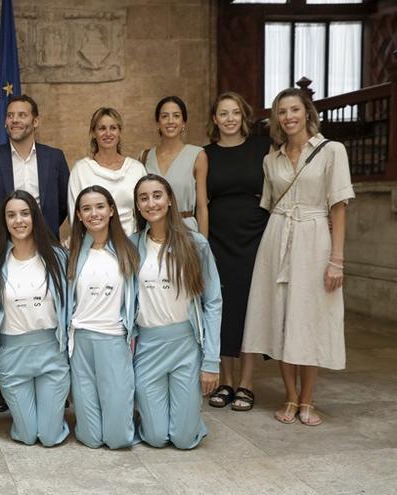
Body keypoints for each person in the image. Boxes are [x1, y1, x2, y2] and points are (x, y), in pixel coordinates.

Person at [242, 88, 354, 427]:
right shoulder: (270, 159)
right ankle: (290, 396)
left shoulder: (332, 151)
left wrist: (337, 259)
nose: (288, 117)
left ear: (307, 112)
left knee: (310, 317)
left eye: (294, 110)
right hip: (276, 239)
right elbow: (269, 206)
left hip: (314, 237)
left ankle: (308, 400)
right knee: (281, 316)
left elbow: (338, 207)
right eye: (281, 111)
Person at [131, 174, 221, 449]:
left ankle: (189, 420)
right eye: (143, 198)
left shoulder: (196, 244)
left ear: (170, 200)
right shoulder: (130, 246)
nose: (151, 203)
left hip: (185, 346)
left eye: (157, 195)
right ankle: (152, 416)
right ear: (137, 206)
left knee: (183, 440)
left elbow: (213, 302)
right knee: (156, 438)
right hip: (147, 347)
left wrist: (211, 361)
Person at [203, 92, 271, 412]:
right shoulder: (206, 154)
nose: (229, 119)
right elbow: (202, 202)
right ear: (215, 119)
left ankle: (246, 382)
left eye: (234, 113)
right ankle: (226, 380)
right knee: (224, 307)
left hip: (255, 237)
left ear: (244, 116)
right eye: (222, 114)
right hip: (219, 238)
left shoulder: (263, 148)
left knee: (250, 307)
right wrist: (204, 244)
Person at [0, 190, 69, 446]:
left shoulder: (58, 257)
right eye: (11, 215)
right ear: (4, 221)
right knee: (28, 435)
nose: (18, 220)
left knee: (50, 436)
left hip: (51, 353)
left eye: (25, 213)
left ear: (35, 217)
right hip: (13, 356)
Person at [66, 185, 139, 449]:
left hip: (114, 339)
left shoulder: (129, 250)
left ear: (111, 210)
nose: (93, 213)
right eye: (86, 208)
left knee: (118, 439)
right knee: (90, 438)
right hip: (81, 342)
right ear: (79, 215)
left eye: (99, 207)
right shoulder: (71, 252)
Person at [0, 94, 70, 247]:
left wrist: (44, 228)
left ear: (35, 121)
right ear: (5, 122)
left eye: (22, 115)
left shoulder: (54, 158)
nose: (15, 120)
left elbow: (64, 203)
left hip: (46, 245)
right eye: (10, 116)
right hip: (3, 247)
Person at [68, 107, 146, 236]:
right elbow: (74, 215)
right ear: (93, 133)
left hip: (132, 244)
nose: (108, 133)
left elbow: (144, 211)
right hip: (94, 245)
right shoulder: (81, 170)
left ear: (120, 132)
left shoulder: (136, 169)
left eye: (113, 128)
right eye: (102, 128)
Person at [141, 96, 209, 236]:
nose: (170, 121)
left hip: (186, 231)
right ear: (158, 123)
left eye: (176, 116)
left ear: (183, 122)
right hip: (153, 231)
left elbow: (202, 208)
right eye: (164, 116)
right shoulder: (145, 157)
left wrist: (204, 246)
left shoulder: (197, 155)